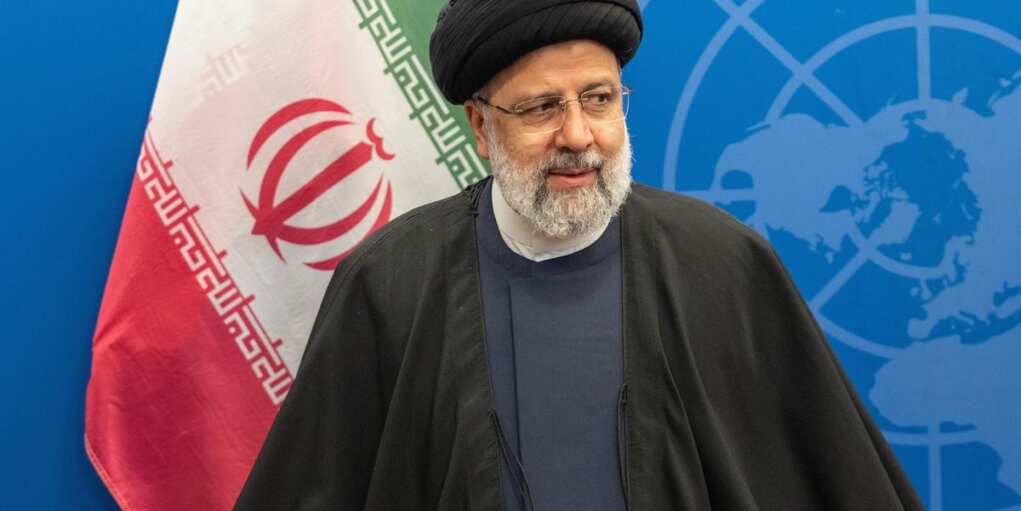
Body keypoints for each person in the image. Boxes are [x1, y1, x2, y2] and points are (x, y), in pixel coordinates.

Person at [234, 1, 924, 509]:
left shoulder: (723, 264)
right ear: (480, 126)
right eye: (541, 108)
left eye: (598, 99)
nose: (578, 135)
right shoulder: (389, 282)